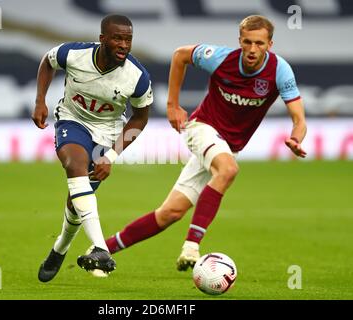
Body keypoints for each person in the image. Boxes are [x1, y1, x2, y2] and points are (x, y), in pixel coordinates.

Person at [97, 15, 307, 276]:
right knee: (228, 170)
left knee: (170, 213)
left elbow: (299, 119)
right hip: (202, 128)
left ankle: (100, 251)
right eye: (247, 42)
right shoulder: (219, 58)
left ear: (270, 44)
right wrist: (173, 104)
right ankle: (191, 247)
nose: (253, 50)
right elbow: (180, 55)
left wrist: (296, 138)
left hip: (227, 145)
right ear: (239, 41)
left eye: (259, 44)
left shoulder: (280, 71)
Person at [32, 14, 153, 282]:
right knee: (75, 166)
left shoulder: (137, 77)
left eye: (128, 39)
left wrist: (111, 155)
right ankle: (101, 248)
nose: (124, 44)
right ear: (102, 39)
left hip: (107, 134)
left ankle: (59, 248)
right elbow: (48, 61)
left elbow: (140, 118)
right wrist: (40, 100)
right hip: (72, 121)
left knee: (77, 201)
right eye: (117, 38)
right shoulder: (74, 54)